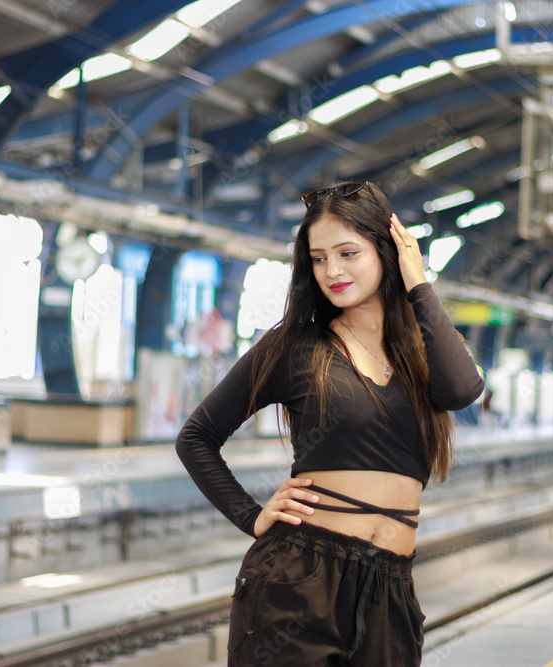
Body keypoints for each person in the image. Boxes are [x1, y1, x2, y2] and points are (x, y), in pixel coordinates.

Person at [176, 181, 484, 666]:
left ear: (388, 250)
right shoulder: (294, 347)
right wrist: (250, 516)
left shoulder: (423, 353)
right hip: (300, 577)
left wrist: (418, 284)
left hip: (390, 587)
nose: (332, 271)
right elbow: (196, 437)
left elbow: (462, 391)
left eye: (348, 253)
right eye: (318, 258)